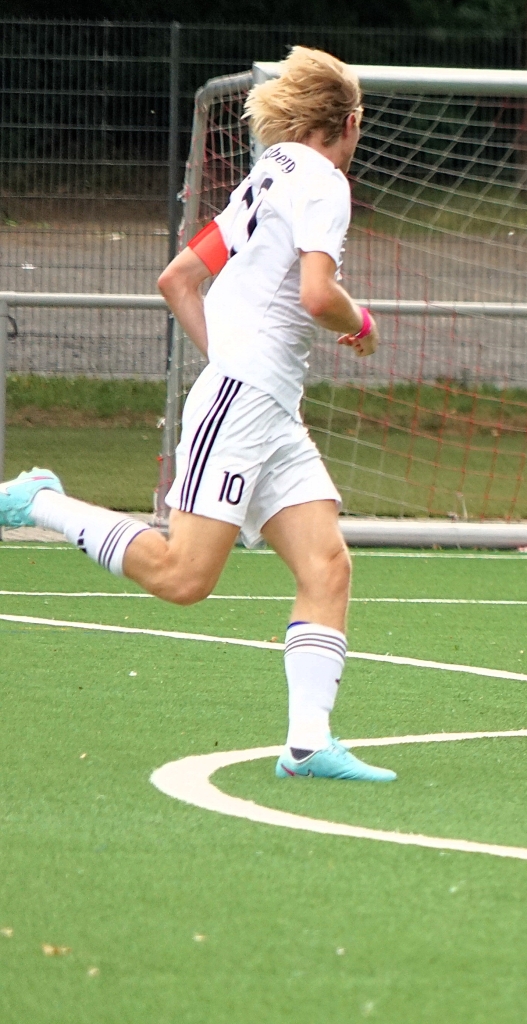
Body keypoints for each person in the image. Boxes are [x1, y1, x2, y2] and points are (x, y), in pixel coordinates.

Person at [0, 46, 395, 781]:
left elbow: (179, 279)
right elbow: (318, 296)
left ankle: (308, 744)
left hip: (265, 405)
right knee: (184, 575)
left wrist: (234, 364)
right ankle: (38, 501)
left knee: (326, 564)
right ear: (348, 122)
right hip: (248, 399)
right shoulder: (325, 181)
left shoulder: (270, 169)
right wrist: (362, 324)